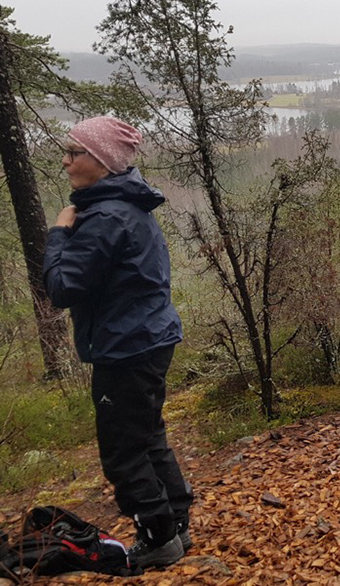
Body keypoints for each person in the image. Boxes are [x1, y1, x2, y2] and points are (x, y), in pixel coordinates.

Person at [43, 116, 192, 568]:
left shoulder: (105, 217)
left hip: (124, 347)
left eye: (74, 153)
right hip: (148, 338)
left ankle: (159, 538)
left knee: (123, 452)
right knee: (148, 436)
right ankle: (177, 525)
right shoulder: (129, 206)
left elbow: (62, 290)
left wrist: (57, 234)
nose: (66, 162)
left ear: (102, 162)